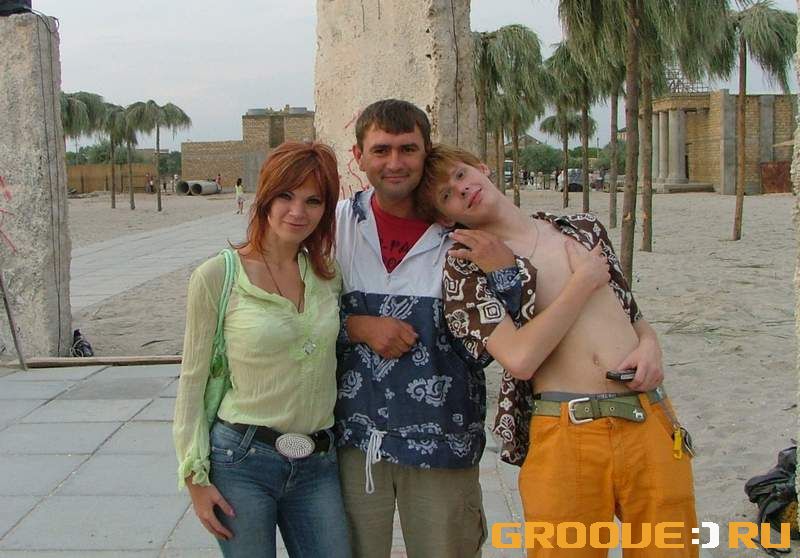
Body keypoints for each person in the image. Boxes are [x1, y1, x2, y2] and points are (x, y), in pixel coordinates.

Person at [416, 144, 698, 558]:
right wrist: (581, 282)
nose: (461, 189)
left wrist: (651, 345)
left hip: (647, 414)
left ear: (482, 168)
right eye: (446, 194)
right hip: (566, 430)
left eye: (460, 175)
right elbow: (520, 359)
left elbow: (631, 312)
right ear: (445, 218)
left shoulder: (582, 228)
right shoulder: (464, 267)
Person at [334, 99, 527, 558]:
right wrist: (356, 326)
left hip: (445, 444)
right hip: (354, 444)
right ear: (358, 156)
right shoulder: (336, 224)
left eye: (408, 149)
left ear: (426, 152)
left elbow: (505, 335)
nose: (395, 163)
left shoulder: (462, 230)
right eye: (381, 150)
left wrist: (504, 273)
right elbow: (295, 315)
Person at [173, 141, 351, 558]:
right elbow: (192, 381)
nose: (297, 211)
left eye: (313, 200)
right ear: (266, 197)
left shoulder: (328, 275)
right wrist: (195, 478)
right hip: (242, 459)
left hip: (318, 461)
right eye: (286, 195)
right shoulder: (217, 275)